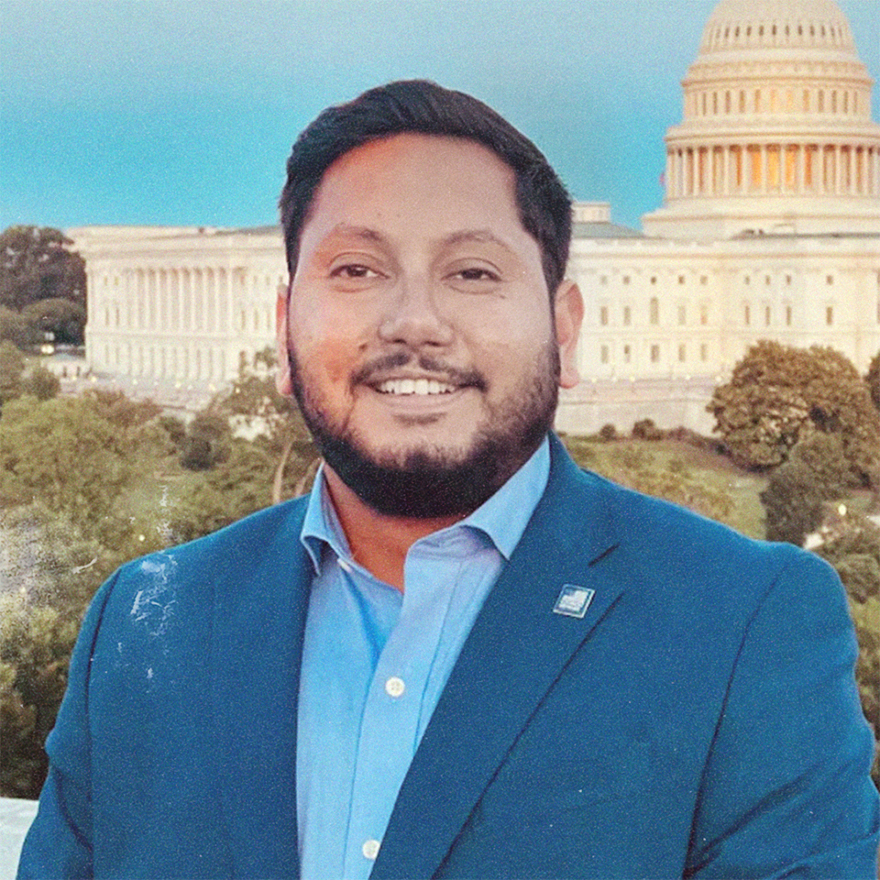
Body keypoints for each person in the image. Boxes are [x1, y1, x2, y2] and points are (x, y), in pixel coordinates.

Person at [17, 80, 879, 879]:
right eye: (357, 270)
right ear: (283, 328)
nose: (416, 323)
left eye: (473, 272)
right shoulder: (142, 625)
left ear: (564, 328)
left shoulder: (744, 627)